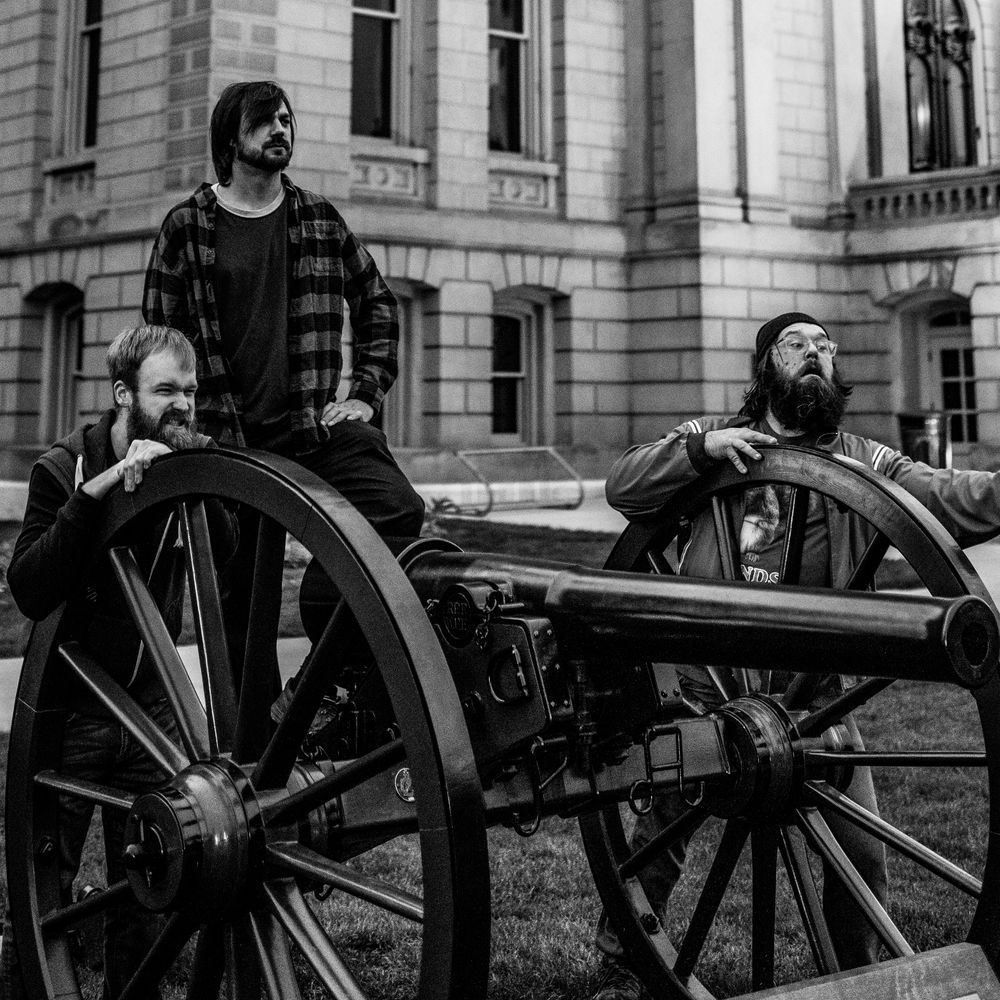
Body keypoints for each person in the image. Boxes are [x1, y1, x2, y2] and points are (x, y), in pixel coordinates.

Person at [592, 311, 1000, 999]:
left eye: (824, 347)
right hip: (706, 688)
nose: (814, 354)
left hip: (811, 699)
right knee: (659, 828)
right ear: (765, 367)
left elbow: (944, 498)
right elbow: (624, 485)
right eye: (795, 345)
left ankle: (865, 976)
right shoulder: (711, 438)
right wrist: (700, 453)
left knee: (862, 856)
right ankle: (621, 958)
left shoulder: (864, 461)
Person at [141, 79, 424, 693]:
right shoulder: (187, 227)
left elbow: (377, 302)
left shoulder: (318, 217)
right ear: (230, 136)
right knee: (243, 616)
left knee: (396, 507)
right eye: (266, 121)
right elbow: (158, 346)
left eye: (288, 120)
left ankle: (331, 660)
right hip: (226, 443)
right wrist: (175, 433)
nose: (282, 130)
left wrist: (364, 394)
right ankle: (258, 755)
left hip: (312, 431)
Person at [2, 325, 238, 998]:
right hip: (73, 709)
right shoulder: (61, 468)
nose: (183, 405)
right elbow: (30, 587)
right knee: (40, 885)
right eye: (165, 390)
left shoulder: (180, 464)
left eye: (190, 391)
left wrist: (211, 479)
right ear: (122, 395)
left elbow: (224, 562)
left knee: (149, 880)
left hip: (150, 706)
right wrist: (94, 494)